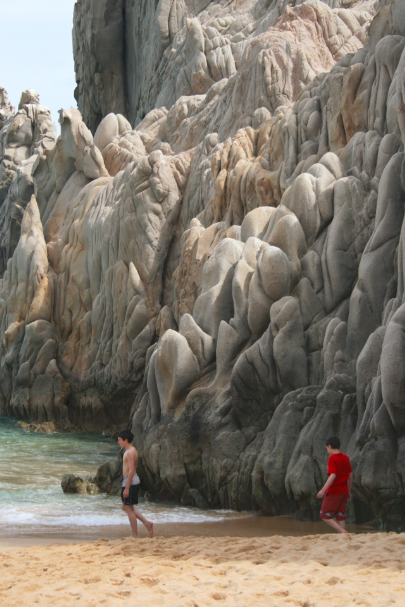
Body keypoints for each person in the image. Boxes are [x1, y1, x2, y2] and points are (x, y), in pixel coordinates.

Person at [117, 429, 153, 538]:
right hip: (128, 480)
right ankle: (147, 523)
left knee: (128, 508)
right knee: (125, 507)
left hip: (131, 481)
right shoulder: (128, 451)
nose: (118, 442)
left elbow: (132, 470)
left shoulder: (130, 452)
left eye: (119, 440)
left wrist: (127, 488)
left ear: (126, 440)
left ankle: (134, 535)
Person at [317, 436, 353, 534]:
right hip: (344, 491)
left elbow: (333, 475)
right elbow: (350, 475)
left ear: (329, 446)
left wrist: (322, 490)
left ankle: (341, 531)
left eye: (327, 448)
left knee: (324, 515)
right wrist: (349, 491)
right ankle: (343, 537)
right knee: (340, 515)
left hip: (334, 491)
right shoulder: (345, 457)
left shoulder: (332, 458)